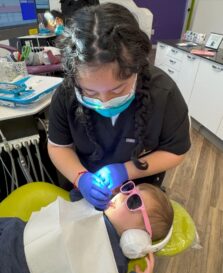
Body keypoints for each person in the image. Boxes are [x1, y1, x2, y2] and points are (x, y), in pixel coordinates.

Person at [47, 3, 191, 210]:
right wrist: (81, 178)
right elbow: (58, 147)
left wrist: (127, 171)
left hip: (140, 192)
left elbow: (176, 151)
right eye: (90, 92)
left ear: (138, 67)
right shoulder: (66, 94)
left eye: (117, 90)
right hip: (87, 192)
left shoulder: (163, 94)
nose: (104, 101)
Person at [0, 182, 173, 273]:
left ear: (138, 236)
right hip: (13, 231)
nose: (123, 195)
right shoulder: (97, 205)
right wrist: (89, 187)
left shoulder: (112, 260)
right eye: (129, 189)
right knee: (12, 224)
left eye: (134, 201)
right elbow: (75, 196)